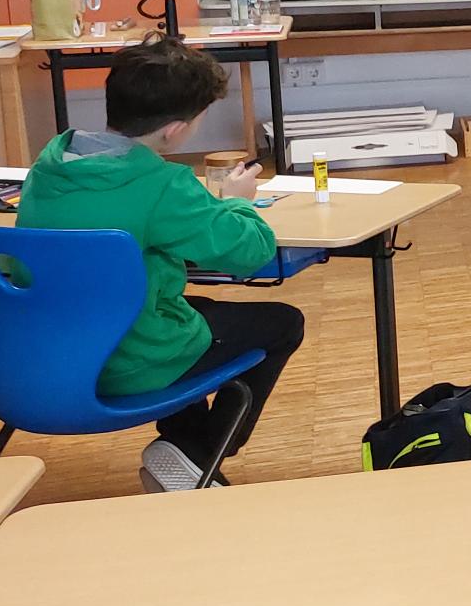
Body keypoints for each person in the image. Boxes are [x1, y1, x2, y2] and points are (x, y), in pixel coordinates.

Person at [15, 36, 303, 492]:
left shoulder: (49, 166)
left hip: (40, 354)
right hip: (127, 362)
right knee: (283, 323)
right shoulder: (163, 184)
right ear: (174, 130)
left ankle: (183, 448)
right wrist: (238, 202)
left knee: (186, 308)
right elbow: (251, 251)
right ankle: (201, 451)